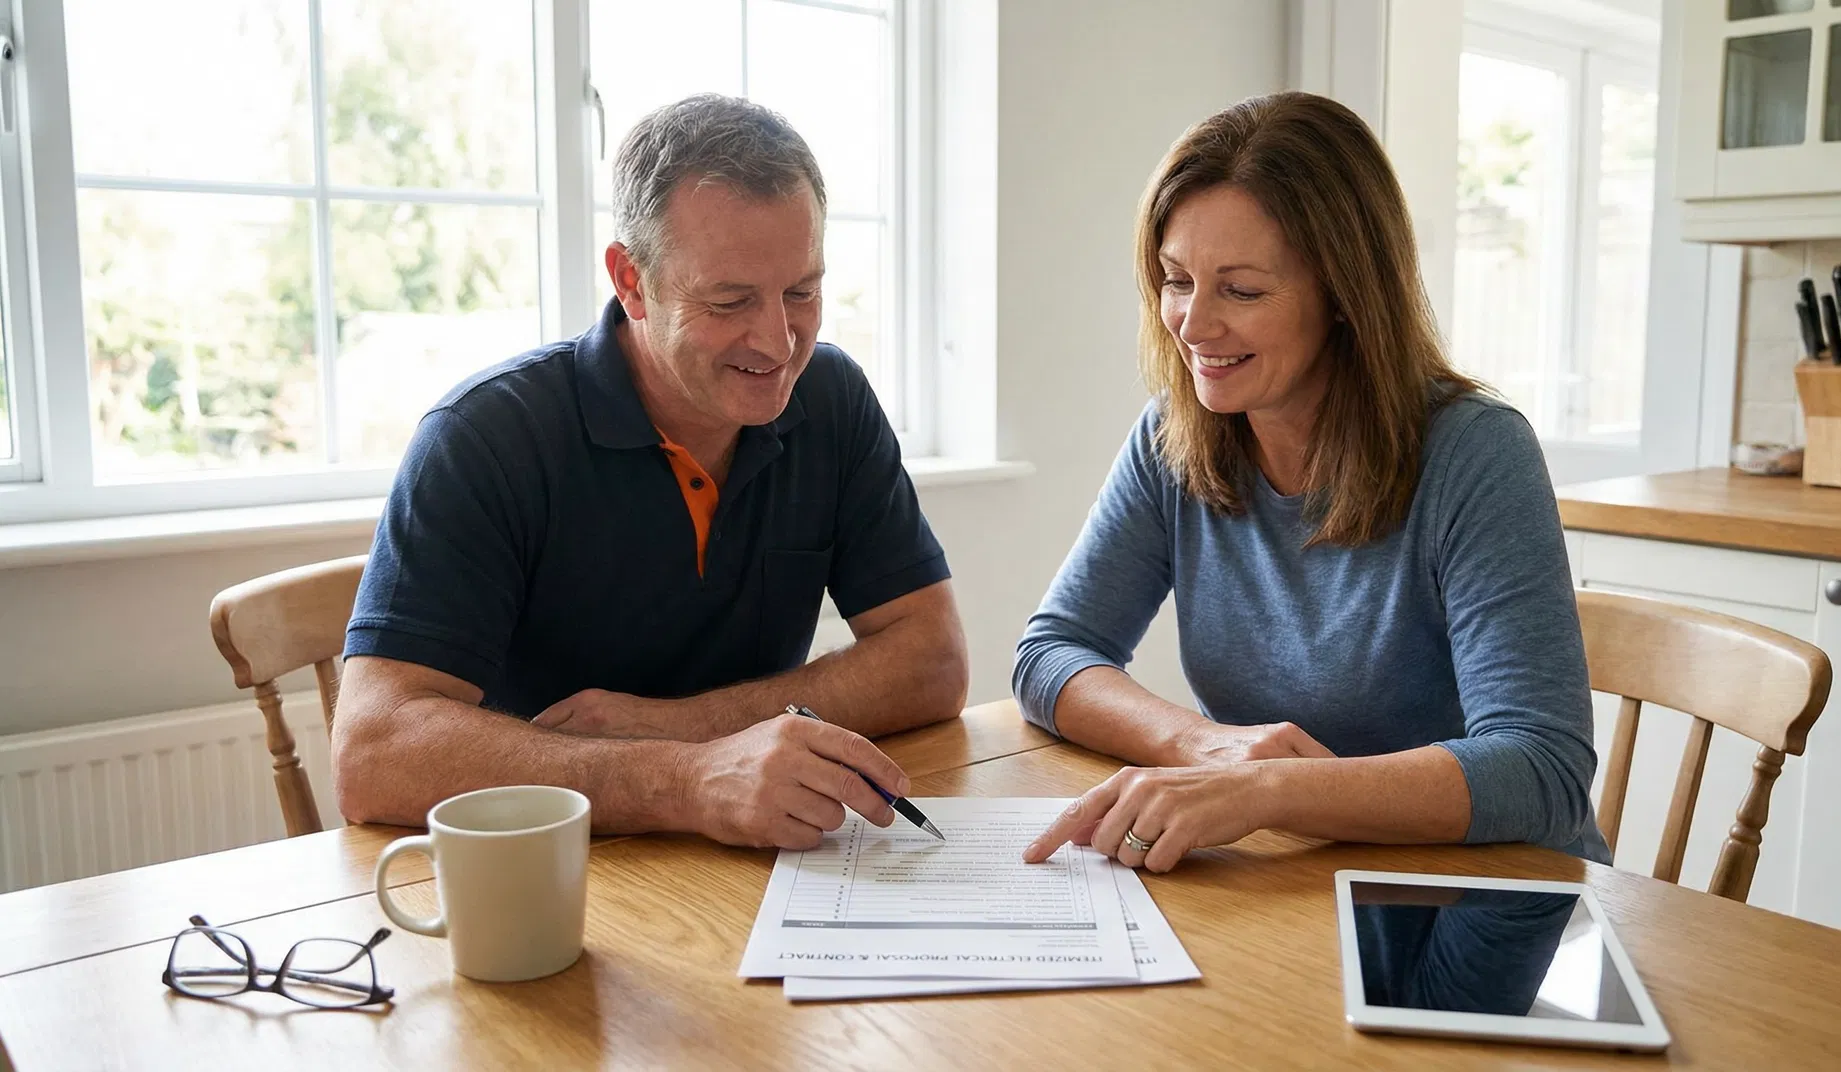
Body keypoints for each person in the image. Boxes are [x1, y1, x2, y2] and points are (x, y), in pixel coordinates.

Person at [332, 95, 967, 849]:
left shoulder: (831, 398)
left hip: (761, 856)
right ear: (631, 281)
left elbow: (933, 662)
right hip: (548, 870)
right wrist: (683, 779)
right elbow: (372, 753)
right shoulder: (485, 436)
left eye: (802, 291)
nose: (778, 342)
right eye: (729, 301)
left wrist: (682, 727)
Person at [1018, 92, 1603, 872]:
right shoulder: (1172, 436)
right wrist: (1202, 745)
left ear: (1345, 296)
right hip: (1301, 875)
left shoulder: (1476, 452)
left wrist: (1269, 790)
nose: (1193, 324)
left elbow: (1542, 770)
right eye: (1176, 279)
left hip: (1489, 895)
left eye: (1242, 290)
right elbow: (1051, 653)